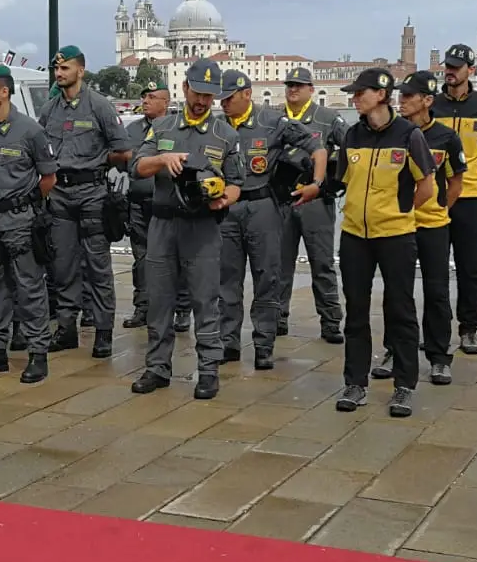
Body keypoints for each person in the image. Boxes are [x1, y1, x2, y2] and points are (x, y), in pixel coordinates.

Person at [128, 60, 244, 401]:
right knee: (159, 299)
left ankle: (208, 371)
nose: (203, 102)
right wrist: (164, 160)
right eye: (198, 93)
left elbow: (238, 184)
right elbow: (137, 166)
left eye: (210, 97)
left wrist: (223, 200)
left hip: (202, 228)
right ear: (184, 89)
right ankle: (157, 368)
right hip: (163, 224)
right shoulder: (162, 128)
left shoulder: (226, 135)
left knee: (205, 300)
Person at [331, 68, 436, 418]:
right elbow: (341, 179)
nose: (354, 97)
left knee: (401, 309)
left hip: (396, 236)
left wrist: (399, 213)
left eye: (360, 92)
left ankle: (404, 386)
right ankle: (355, 383)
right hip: (354, 237)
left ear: (381, 93)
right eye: (353, 93)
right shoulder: (352, 135)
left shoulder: (409, 135)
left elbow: (426, 186)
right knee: (356, 310)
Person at [215, 69, 325, 369]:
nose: (224, 103)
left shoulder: (272, 122)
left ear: (247, 94)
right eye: (221, 98)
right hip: (226, 208)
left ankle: (264, 344)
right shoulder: (215, 125)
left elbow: (316, 148)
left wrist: (316, 183)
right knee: (227, 280)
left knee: (267, 277)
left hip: (262, 206)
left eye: (230, 97)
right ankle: (229, 342)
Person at [0, 63, 58, 384]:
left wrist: (27, 205)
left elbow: (48, 178)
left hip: (19, 221)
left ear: (4, 91)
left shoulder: (30, 131)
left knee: (30, 289)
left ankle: (37, 353)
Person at [373, 71, 466, 386]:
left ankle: (439, 357)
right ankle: (393, 351)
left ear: (427, 100)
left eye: (409, 96)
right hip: (399, 226)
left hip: (433, 227)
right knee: (396, 293)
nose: (402, 101)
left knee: (436, 292)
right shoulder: (392, 134)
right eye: (400, 96)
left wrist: (440, 209)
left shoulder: (446, 138)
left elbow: (456, 181)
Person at [38, 45, 130, 358]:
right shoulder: (50, 110)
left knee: (98, 267)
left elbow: (123, 151)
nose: (59, 73)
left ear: (81, 70)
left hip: (92, 194)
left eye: (65, 69)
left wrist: (98, 160)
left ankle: (103, 331)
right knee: (62, 266)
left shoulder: (100, 106)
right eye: (56, 69)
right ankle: (66, 328)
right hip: (60, 196)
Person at [430, 42, 477, 355]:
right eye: (447, 66)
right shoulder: (432, 105)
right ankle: (437, 329)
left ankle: (469, 327)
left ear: (469, 71)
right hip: (435, 197)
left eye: (455, 68)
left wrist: (476, 177)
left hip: (472, 198)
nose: (449, 72)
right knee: (434, 267)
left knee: (469, 265)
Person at [275, 67, 345, 343]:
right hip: (281, 199)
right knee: (279, 264)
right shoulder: (273, 117)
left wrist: (330, 180)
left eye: (299, 85)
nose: (293, 89)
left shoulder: (327, 118)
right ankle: (277, 317)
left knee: (322, 263)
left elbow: (350, 147)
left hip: (315, 199)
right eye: (290, 85)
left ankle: (330, 321)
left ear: (311, 89)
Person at [122, 79, 191, 331]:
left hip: (168, 204)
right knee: (141, 258)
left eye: (152, 97)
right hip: (139, 203)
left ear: (166, 102)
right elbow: (128, 161)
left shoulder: (176, 128)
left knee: (177, 257)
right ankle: (143, 306)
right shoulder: (133, 130)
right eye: (144, 97)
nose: (146, 101)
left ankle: (182, 309)